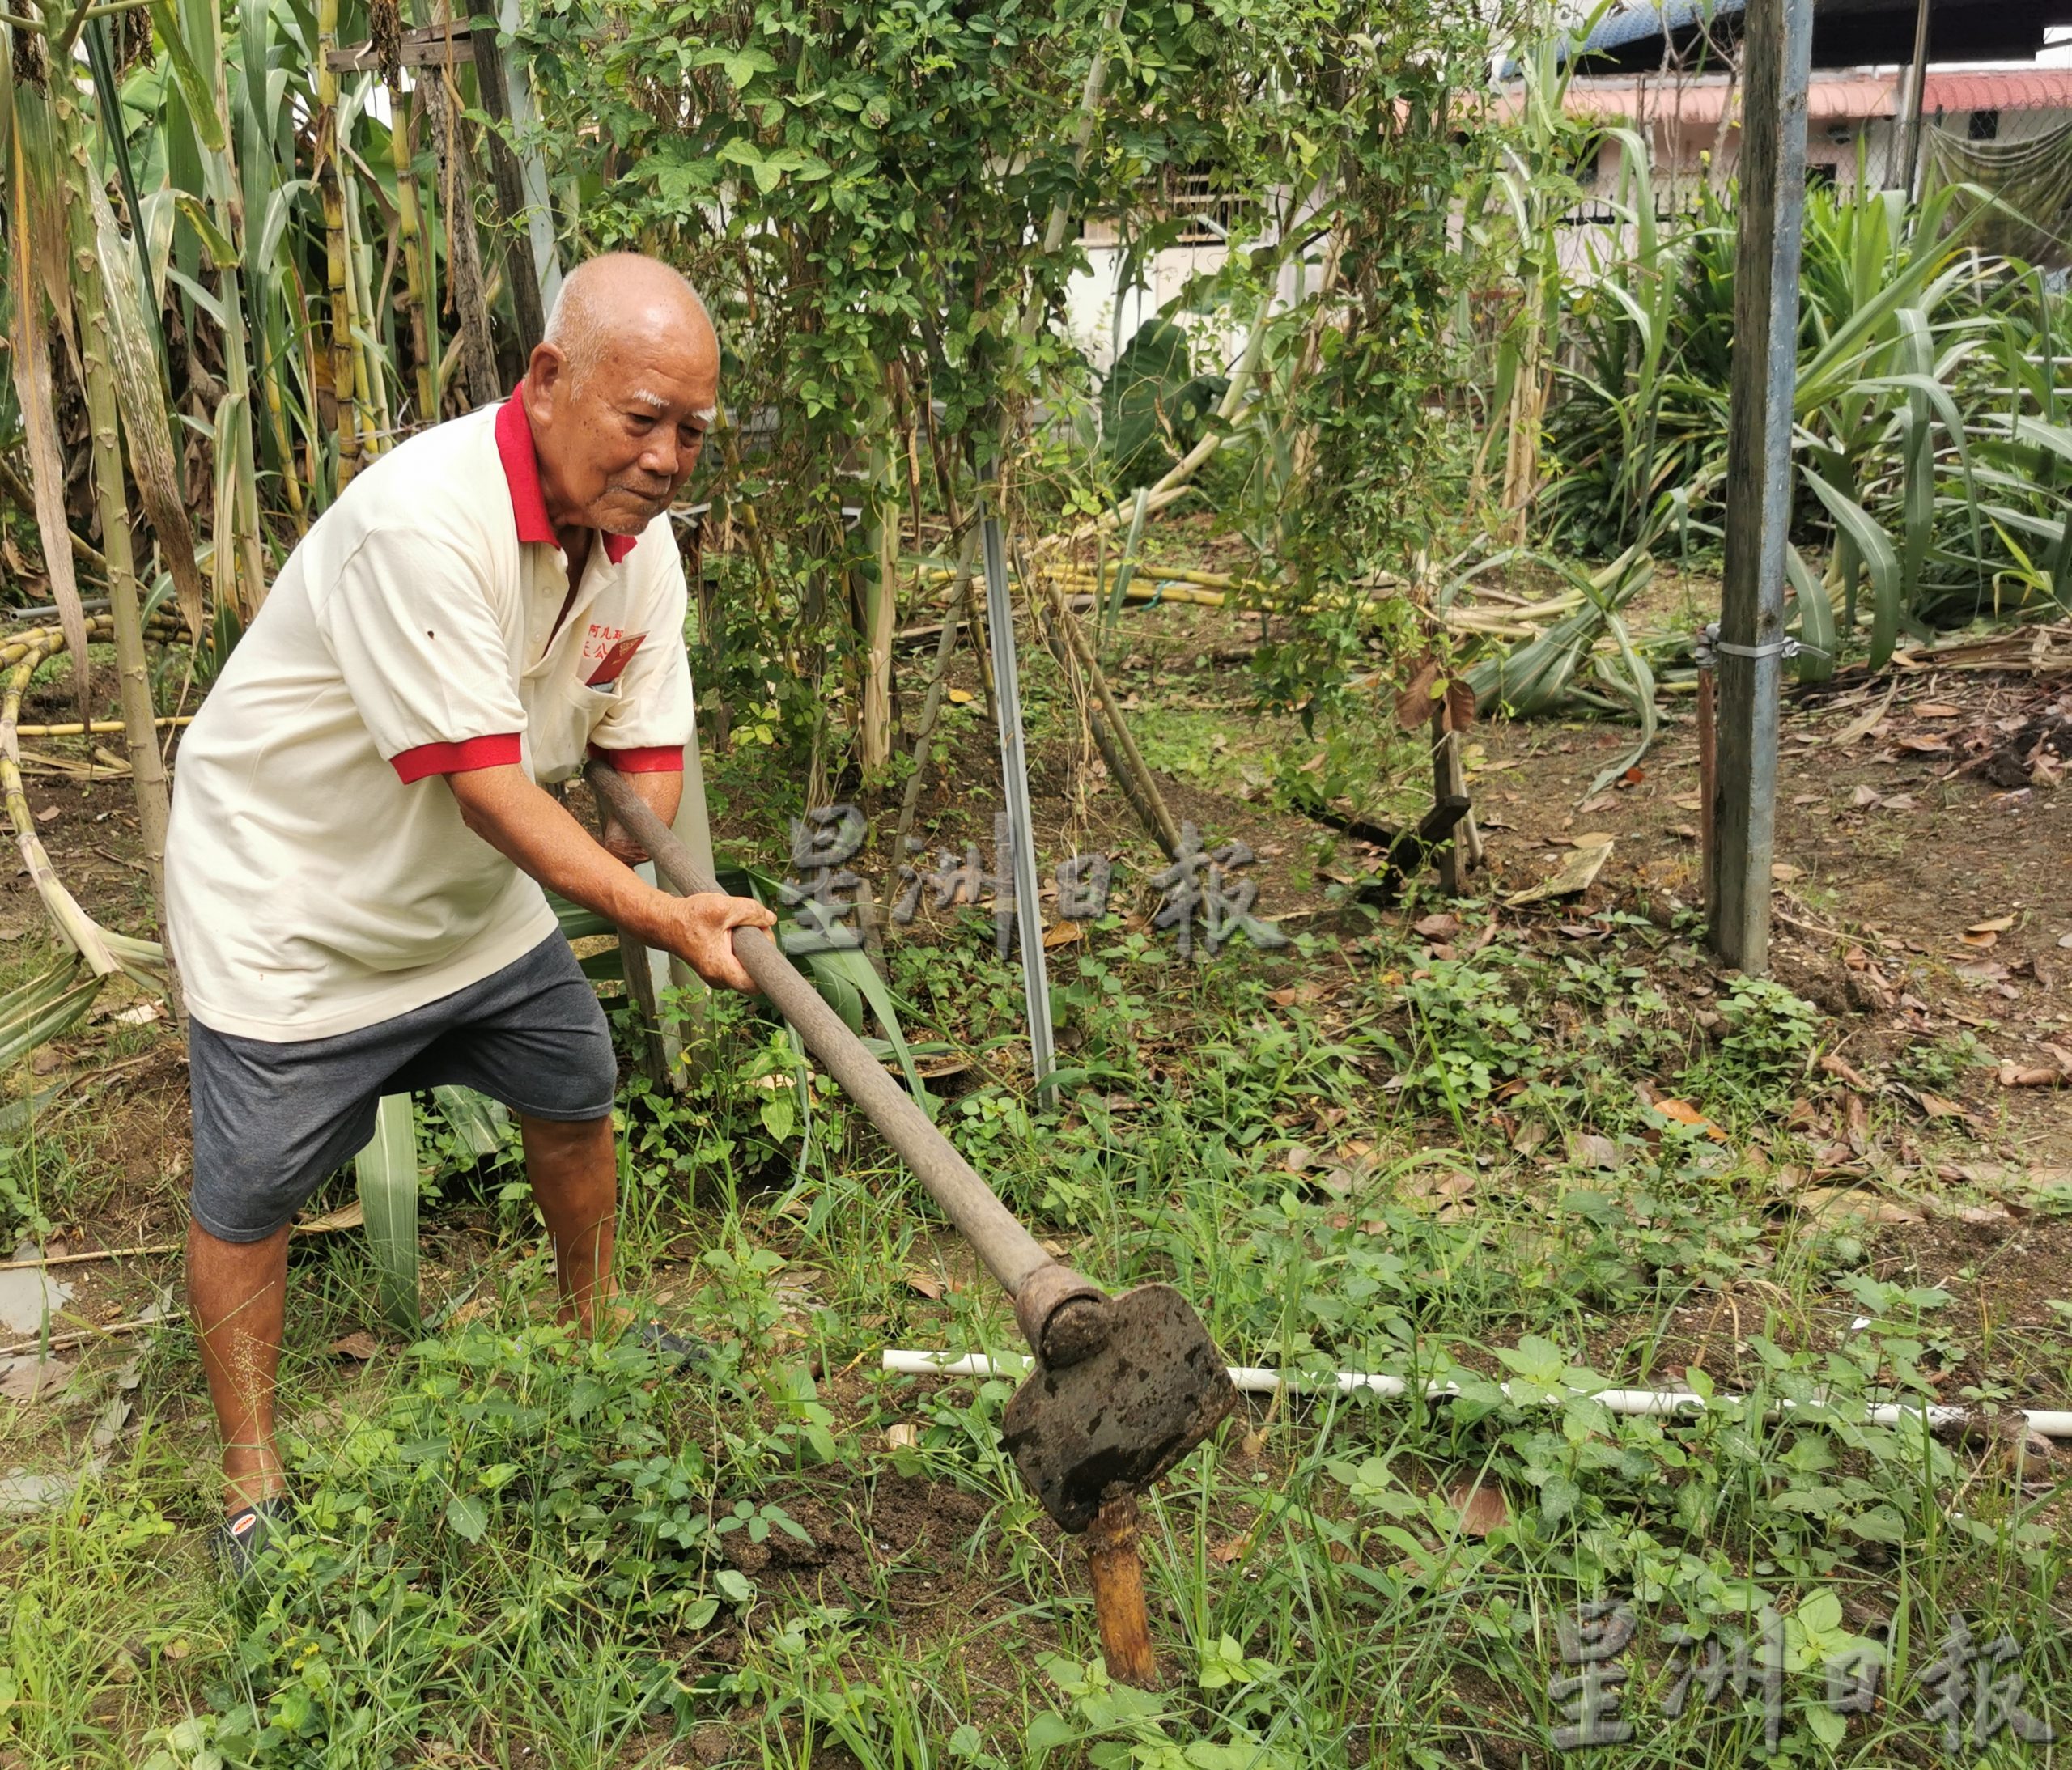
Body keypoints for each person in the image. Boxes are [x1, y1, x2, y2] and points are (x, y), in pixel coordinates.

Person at [163, 253, 776, 1577]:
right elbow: (495, 790)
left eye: (692, 432)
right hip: (295, 902)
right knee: (253, 1189)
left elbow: (642, 742)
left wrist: (651, 857)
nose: (670, 458)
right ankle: (252, 1492)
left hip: (468, 902)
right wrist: (659, 918)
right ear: (548, 380)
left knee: (572, 1083)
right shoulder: (423, 521)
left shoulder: (638, 545)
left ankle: (596, 1333)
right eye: (643, 418)